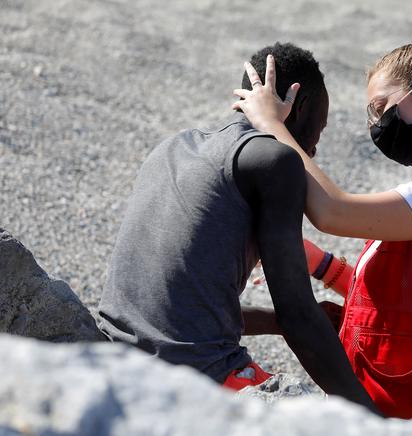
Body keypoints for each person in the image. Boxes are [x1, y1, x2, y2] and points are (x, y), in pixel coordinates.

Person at [233, 32, 412, 434]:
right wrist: (321, 265)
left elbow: (332, 211)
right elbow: (408, 303)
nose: (375, 125)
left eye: (380, 108)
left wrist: (271, 125)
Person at [96, 42, 378, 414]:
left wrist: (272, 323)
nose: (314, 148)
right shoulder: (275, 161)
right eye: (319, 131)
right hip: (199, 378)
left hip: (110, 354)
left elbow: (178, 309)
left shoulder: (172, 147)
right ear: (302, 105)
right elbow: (299, 318)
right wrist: (370, 419)